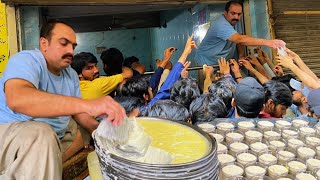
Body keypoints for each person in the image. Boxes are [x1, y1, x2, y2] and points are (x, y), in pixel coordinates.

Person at [0, 20, 125, 179]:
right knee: (41, 133)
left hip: (53, 138)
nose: (70, 51)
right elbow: (17, 99)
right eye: (64, 44)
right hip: (9, 137)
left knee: (90, 131)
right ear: (44, 43)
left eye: (73, 46)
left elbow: (80, 114)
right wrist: (89, 104)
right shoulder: (27, 60)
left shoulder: (70, 74)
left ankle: (50, 161)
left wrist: (106, 131)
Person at [195, 0, 286, 66]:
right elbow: (239, 39)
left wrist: (241, 56)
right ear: (225, 13)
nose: (236, 17)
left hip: (219, 64)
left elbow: (239, 38)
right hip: (205, 64)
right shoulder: (221, 25)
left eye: (239, 14)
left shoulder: (234, 22)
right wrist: (269, 42)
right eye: (233, 13)